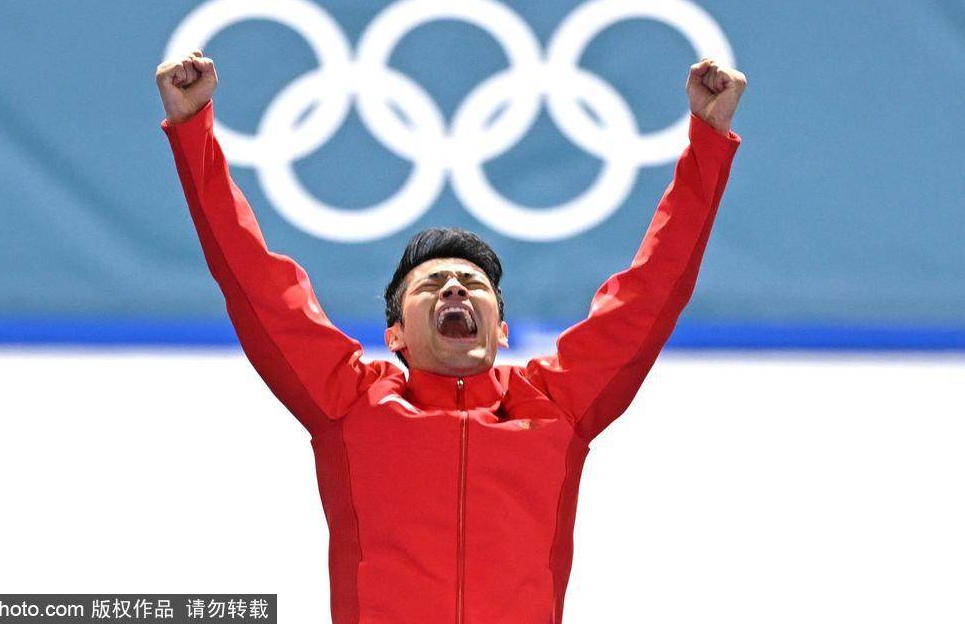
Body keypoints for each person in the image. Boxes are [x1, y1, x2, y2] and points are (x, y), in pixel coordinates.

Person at [156, 51, 745, 624]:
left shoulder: (557, 402)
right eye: (432, 285)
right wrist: (192, 130)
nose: (455, 289)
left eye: (472, 284)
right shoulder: (349, 402)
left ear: (502, 330)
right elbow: (255, 281)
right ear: (395, 335)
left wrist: (709, 140)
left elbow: (651, 291)